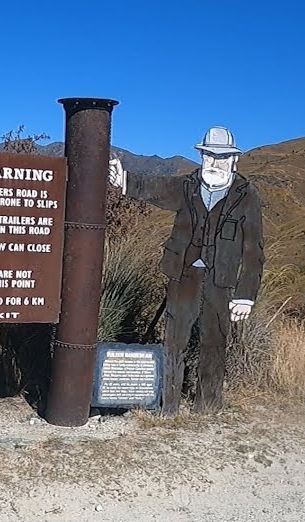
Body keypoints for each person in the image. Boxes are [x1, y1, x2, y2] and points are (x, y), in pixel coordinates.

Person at [108, 126, 265, 414]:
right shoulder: (187, 186)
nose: (214, 163)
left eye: (222, 157)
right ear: (202, 156)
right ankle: (168, 406)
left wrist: (245, 295)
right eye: (209, 156)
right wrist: (124, 180)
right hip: (183, 276)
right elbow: (156, 189)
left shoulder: (247, 195)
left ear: (234, 160)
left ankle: (208, 406)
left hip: (221, 281)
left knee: (214, 342)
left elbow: (254, 249)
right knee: (174, 340)